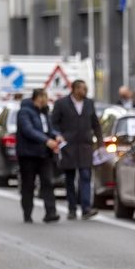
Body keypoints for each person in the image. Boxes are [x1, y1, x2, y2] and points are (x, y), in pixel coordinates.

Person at [51, 80, 103, 220]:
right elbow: (53, 123)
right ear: (74, 89)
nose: (85, 91)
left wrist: (100, 143)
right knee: (69, 178)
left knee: (86, 176)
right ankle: (72, 208)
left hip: (85, 146)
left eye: (86, 89)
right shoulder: (62, 104)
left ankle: (86, 208)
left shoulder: (89, 103)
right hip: (69, 146)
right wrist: (58, 135)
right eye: (82, 88)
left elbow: (96, 124)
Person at [16, 89, 62, 224]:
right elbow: (28, 130)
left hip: (44, 154)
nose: (47, 100)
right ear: (38, 98)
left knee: (48, 182)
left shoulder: (45, 112)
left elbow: (48, 129)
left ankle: (51, 212)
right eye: (45, 97)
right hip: (28, 154)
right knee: (28, 185)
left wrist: (55, 135)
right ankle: (27, 213)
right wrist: (46, 140)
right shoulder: (24, 112)